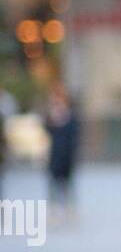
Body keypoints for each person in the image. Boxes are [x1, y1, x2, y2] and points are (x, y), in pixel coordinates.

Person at [43, 81, 80, 223]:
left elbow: (74, 136)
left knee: (68, 183)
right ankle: (53, 209)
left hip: (67, 156)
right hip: (54, 154)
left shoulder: (71, 116)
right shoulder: (51, 115)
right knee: (53, 182)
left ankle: (69, 208)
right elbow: (46, 129)